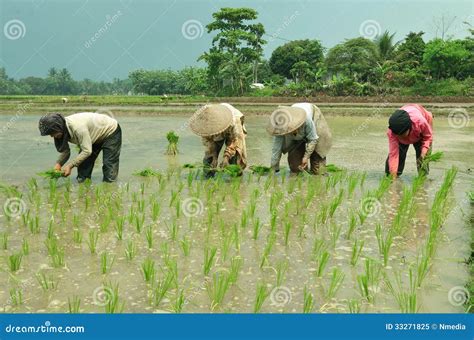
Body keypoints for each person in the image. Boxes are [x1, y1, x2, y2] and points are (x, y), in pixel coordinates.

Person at [38, 112, 122, 182]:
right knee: (83, 166)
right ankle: (84, 188)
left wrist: (70, 166)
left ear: (59, 128)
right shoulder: (60, 131)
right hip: (92, 136)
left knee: (109, 165)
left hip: (110, 131)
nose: (52, 136)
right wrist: (58, 165)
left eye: (52, 133)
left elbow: (87, 151)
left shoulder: (78, 128)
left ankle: (110, 187)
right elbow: (65, 151)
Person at [268, 103, 332, 174]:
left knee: (318, 170)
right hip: (297, 135)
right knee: (296, 169)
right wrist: (274, 168)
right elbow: (276, 149)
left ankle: (318, 170)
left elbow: (313, 139)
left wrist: (306, 157)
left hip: (314, 119)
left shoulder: (307, 120)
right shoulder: (281, 126)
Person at [189, 103, 247, 178]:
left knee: (235, 159)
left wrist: (226, 157)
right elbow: (209, 142)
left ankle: (235, 181)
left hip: (232, 131)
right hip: (216, 131)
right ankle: (208, 179)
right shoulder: (204, 124)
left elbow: (235, 141)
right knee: (208, 161)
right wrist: (214, 157)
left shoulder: (234, 120)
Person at [385, 104, 433, 178]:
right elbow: (394, 155)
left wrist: (423, 152)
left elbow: (428, 137)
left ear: (409, 127)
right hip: (407, 124)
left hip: (420, 132)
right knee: (391, 171)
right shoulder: (393, 131)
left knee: (422, 162)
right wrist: (393, 179)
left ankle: (422, 179)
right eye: (398, 135)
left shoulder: (420, 122)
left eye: (402, 134)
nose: (400, 136)